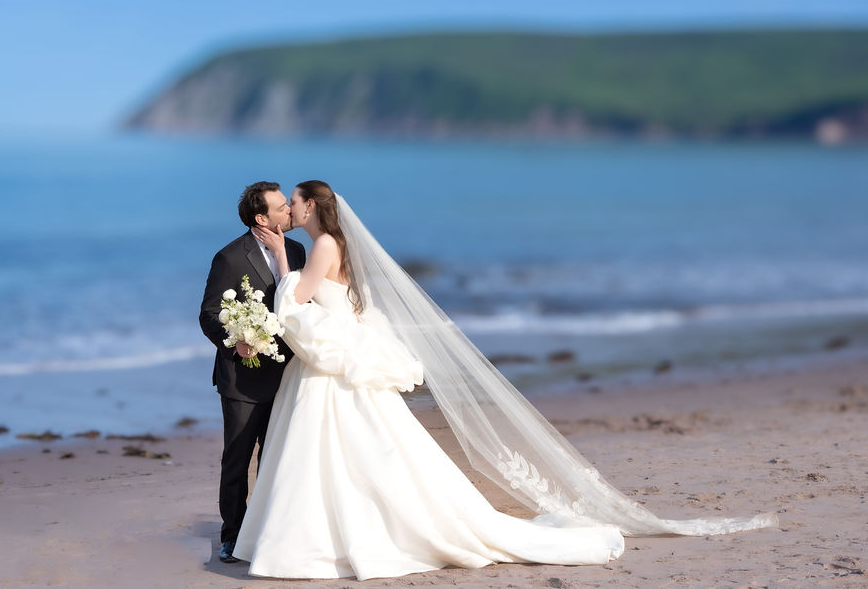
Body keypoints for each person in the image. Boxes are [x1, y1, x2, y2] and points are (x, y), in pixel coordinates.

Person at [231, 180, 776, 581]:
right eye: (284, 206)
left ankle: (324, 536)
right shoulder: (330, 246)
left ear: (312, 206)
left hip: (330, 368)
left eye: (294, 203)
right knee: (353, 454)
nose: (289, 210)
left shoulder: (321, 247)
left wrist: (281, 265)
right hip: (332, 364)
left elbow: (297, 302)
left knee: (343, 453)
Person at [198, 181, 306, 564]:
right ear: (262, 218)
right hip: (242, 378)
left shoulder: (295, 250)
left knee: (277, 457)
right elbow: (209, 314)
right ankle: (232, 536)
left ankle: (269, 531)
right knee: (238, 459)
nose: (290, 211)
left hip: (289, 375)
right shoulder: (230, 257)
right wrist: (236, 340)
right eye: (282, 207)